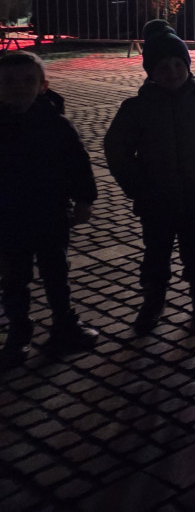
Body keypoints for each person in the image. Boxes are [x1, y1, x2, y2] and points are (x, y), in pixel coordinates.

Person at [105, 20, 195, 334]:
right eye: (163, 66)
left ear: (188, 66)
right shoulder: (137, 109)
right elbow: (116, 149)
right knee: (156, 256)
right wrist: (136, 185)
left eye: (179, 64)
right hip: (156, 200)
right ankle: (153, 302)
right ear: (150, 71)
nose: (173, 72)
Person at [0, 52, 99, 367]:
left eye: (28, 81)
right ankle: (19, 329)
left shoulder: (56, 123)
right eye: (8, 82)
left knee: (57, 272)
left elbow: (78, 163)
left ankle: (64, 322)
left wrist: (84, 200)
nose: (19, 88)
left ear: (43, 85)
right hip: (8, 218)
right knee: (14, 278)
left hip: (50, 214)